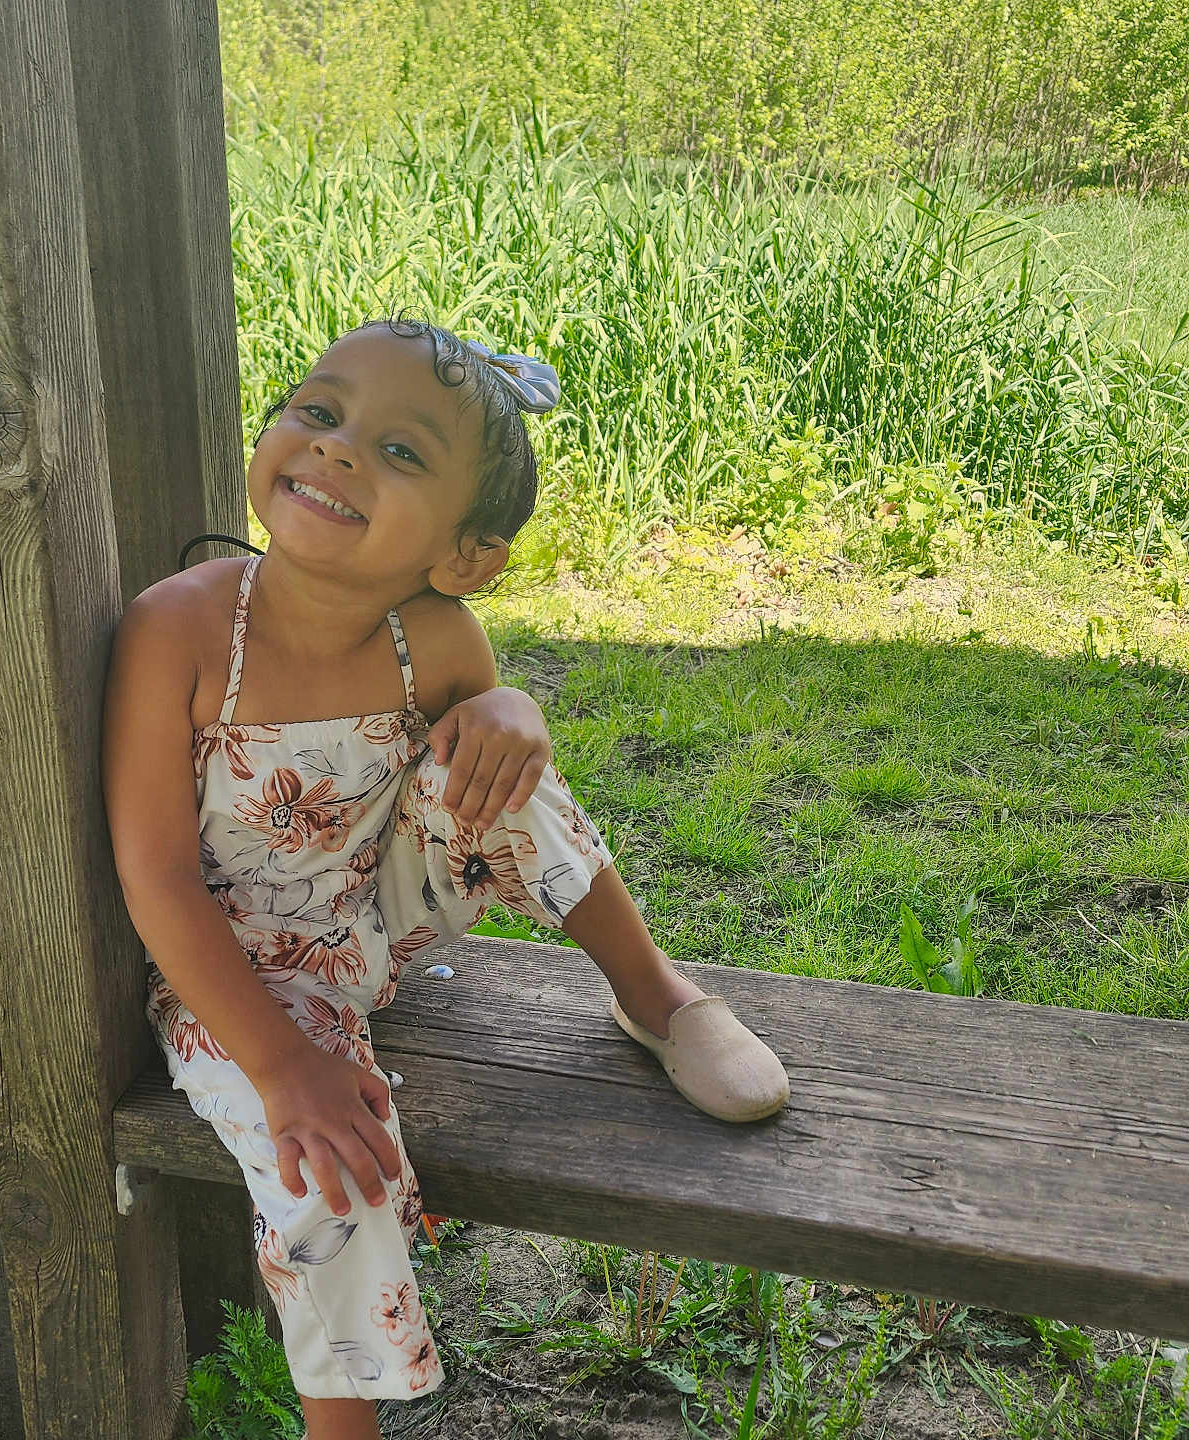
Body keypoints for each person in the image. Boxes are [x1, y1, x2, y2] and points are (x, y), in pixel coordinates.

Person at [101, 316, 790, 1439]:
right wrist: (284, 1068)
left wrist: (510, 711)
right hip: (239, 981)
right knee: (325, 1167)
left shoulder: (436, 636)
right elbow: (158, 875)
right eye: (318, 413)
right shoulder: (178, 631)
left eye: (400, 452)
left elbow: (482, 753)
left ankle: (658, 998)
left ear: (464, 557)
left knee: (501, 763)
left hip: (380, 916)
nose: (334, 449)